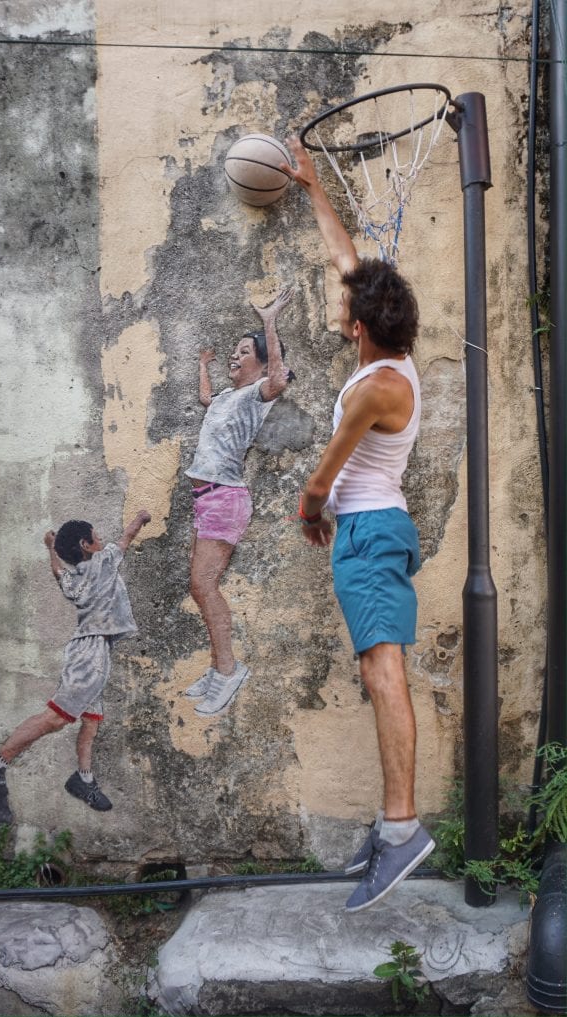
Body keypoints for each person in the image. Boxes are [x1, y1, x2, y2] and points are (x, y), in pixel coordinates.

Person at [281, 138, 434, 912]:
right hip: (372, 531)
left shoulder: (378, 388)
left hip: (369, 535)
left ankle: (402, 828)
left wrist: (310, 511)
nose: (340, 313)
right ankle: (391, 825)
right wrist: (313, 186)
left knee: (383, 675)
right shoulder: (388, 355)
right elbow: (347, 258)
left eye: (347, 312)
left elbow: (324, 474)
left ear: (361, 329)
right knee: (381, 673)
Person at [0, 509, 151, 825]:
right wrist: (141, 518)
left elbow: (57, 572)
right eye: (97, 537)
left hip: (92, 649)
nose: (101, 540)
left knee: (90, 721)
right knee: (55, 718)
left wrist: (51, 548)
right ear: (86, 545)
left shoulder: (74, 579)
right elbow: (126, 537)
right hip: (91, 654)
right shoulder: (103, 562)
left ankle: (83, 778)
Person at [184, 288, 294, 717]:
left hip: (224, 498)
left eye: (245, 352)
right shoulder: (227, 398)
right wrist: (203, 367)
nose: (235, 355)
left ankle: (229, 671)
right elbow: (205, 400)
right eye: (235, 350)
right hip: (207, 499)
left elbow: (279, 380)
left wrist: (269, 321)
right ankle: (218, 668)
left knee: (204, 586)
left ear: (262, 364)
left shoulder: (256, 395)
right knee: (200, 586)